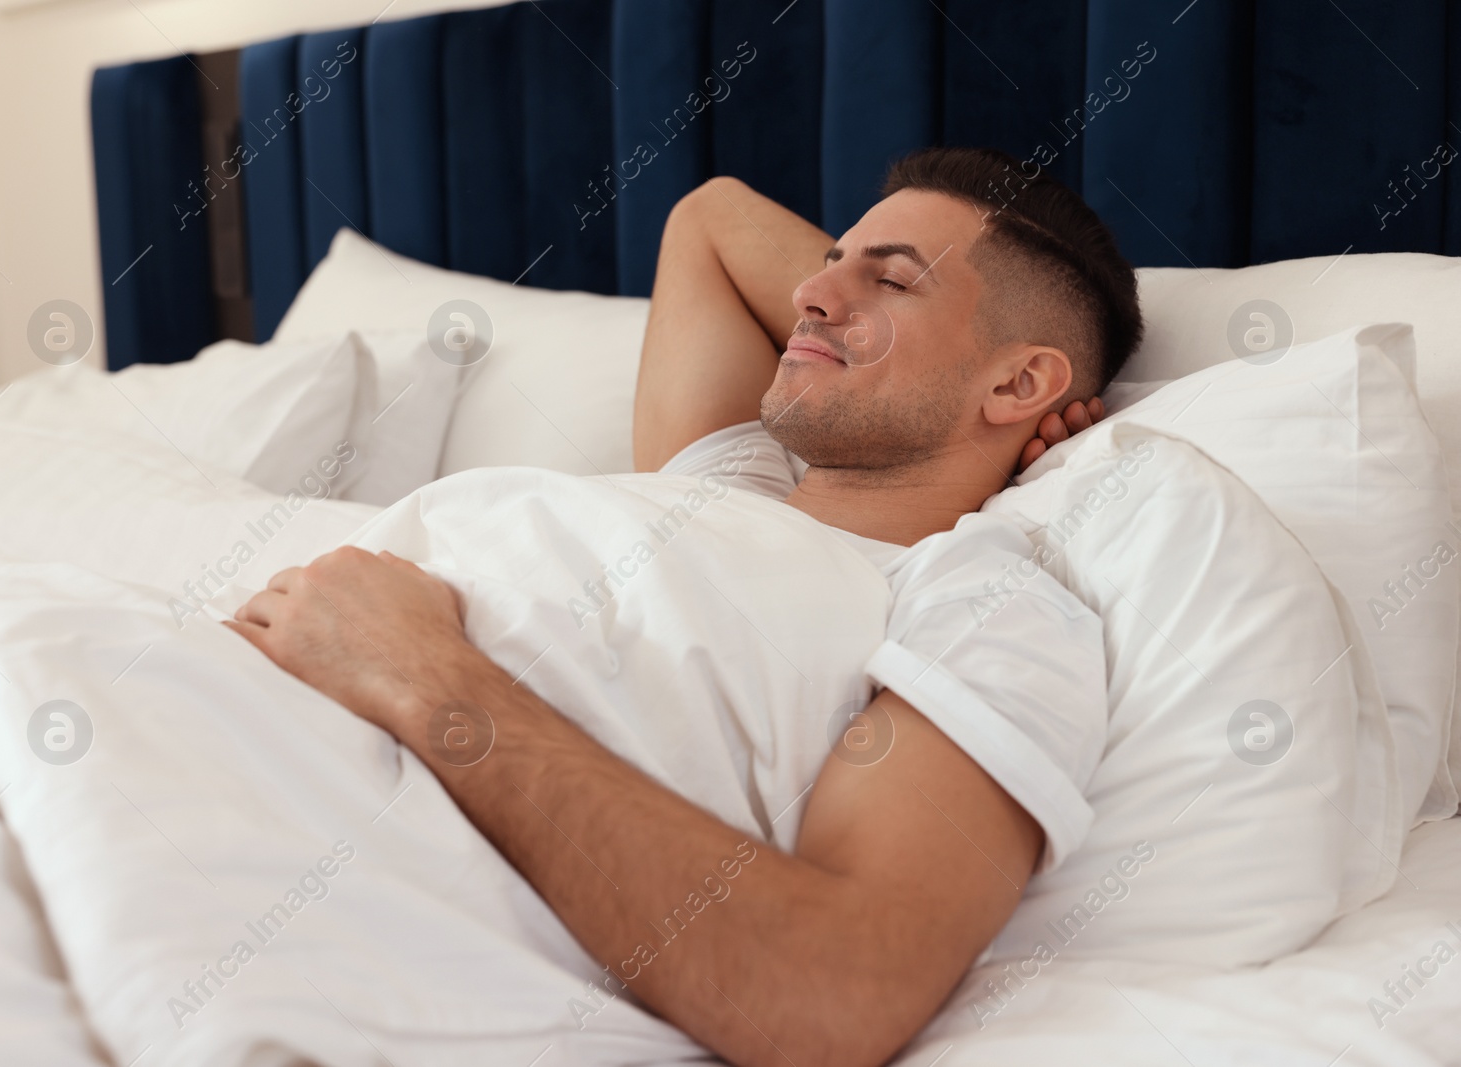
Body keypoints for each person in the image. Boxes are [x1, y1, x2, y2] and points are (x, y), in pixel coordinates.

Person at [226, 146, 1143, 1067]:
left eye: (893, 280)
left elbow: (837, 993)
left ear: (1026, 382)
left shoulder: (979, 599)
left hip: (289, 858)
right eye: (828, 264)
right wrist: (926, 344)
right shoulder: (729, 482)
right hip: (217, 715)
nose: (811, 298)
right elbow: (708, 218)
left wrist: (421, 671)